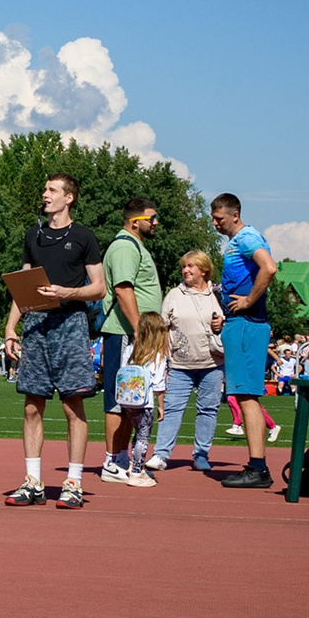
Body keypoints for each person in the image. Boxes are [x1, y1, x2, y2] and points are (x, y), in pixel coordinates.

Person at [1, 172, 107, 507]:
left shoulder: (84, 237)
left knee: (72, 404)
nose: (45, 194)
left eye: (52, 190)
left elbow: (100, 288)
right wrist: (10, 328)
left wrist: (67, 291)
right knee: (32, 405)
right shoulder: (33, 235)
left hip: (71, 323)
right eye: (45, 189)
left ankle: (73, 482)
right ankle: (33, 481)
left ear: (69, 197)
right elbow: (24, 286)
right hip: (36, 324)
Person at [211, 194, 282, 489]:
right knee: (244, 395)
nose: (215, 224)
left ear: (235, 214)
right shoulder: (238, 241)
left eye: (219, 218)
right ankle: (256, 466)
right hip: (240, 322)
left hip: (247, 324)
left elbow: (269, 267)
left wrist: (249, 301)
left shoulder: (246, 237)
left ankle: (258, 468)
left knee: (247, 395)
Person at [97, 197, 164, 478]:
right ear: (135, 222)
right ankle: (112, 460)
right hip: (125, 332)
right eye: (152, 218)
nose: (156, 223)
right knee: (119, 397)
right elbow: (123, 289)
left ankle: (121, 458)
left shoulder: (135, 246)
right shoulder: (125, 246)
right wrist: (138, 329)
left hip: (134, 333)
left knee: (131, 398)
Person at [155, 250, 227, 471]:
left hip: (212, 363)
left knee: (208, 409)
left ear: (203, 270)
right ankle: (161, 454)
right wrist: (162, 361)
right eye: (184, 266)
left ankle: (201, 454)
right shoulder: (174, 295)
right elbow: (162, 327)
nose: (186, 270)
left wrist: (221, 325)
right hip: (180, 364)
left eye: (191, 266)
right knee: (173, 408)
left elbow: (231, 322)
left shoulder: (218, 295)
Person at [100, 313, 170, 486]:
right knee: (142, 437)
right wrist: (161, 405)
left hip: (127, 401)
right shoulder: (158, 354)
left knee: (137, 433)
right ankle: (137, 472)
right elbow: (159, 384)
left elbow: (122, 370)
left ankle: (133, 465)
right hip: (145, 403)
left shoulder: (131, 349)